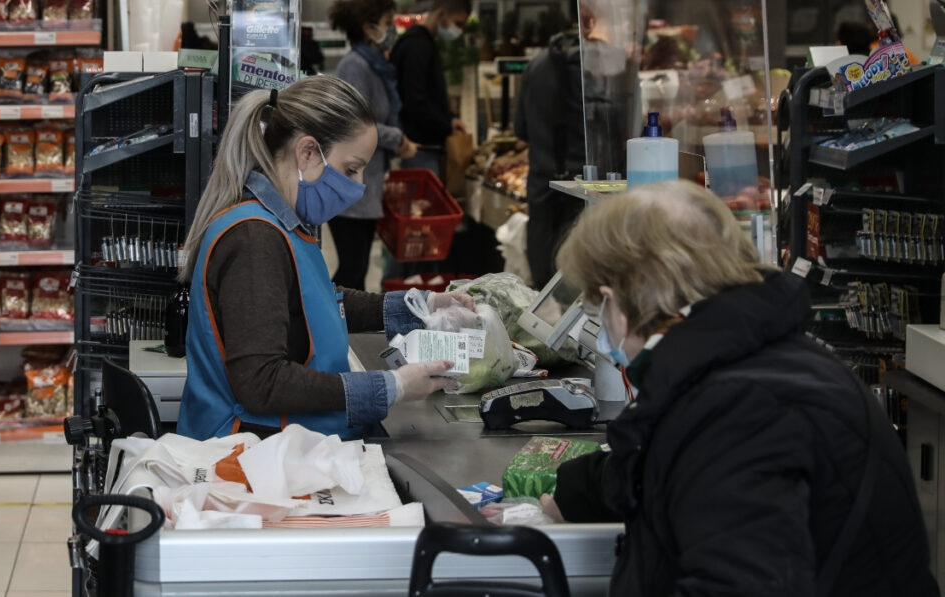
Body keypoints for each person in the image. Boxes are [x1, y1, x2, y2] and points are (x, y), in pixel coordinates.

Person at [542, 180, 938, 597]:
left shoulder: (740, 408)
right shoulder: (747, 360)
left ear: (617, 301)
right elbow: (675, 462)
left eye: (595, 307)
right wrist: (579, 490)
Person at [176, 78, 474, 441]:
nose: (358, 185)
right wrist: (391, 386)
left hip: (289, 446)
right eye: (351, 169)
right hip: (251, 457)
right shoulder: (254, 239)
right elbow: (261, 382)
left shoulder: (284, 224)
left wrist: (422, 305)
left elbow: (315, 301)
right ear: (307, 153)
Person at [328, 0, 417, 291]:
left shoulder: (375, 64)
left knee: (358, 268)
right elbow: (353, 122)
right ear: (368, 27)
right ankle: (327, 326)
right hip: (349, 186)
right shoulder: (355, 66)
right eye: (388, 21)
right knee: (352, 269)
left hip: (366, 185)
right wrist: (396, 138)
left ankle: (342, 328)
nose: (393, 29)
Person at [514, 29, 585, 289]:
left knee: (542, 277)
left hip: (542, 181)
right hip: (584, 185)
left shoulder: (535, 66)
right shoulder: (594, 68)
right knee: (577, 276)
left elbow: (520, 128)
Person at [390, 0, 470, 176]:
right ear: (441, 14)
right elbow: (416, 101)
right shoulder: (417, 47)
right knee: (422, 202)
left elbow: (428, 92)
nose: (459, 31)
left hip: (424, 147)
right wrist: (446, 125)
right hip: (419, 148)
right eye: (458, 24)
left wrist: (449, 118)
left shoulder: (423, 44)